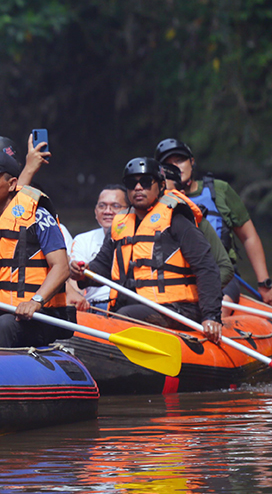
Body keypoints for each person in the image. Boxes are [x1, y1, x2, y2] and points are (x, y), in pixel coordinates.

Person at [70, 157, 223, 343]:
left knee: (125, 314)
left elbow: (206, 267)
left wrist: (211, 316)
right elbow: (102, 266)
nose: (138, 188)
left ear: (160, 185)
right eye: (131, 183)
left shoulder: (177, 220)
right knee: (122, 312)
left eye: (145, 182)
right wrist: (82, 273)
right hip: (135, 306)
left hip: (177, 308)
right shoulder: (120, 224)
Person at [0, 151, 72, 348]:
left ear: (12, 184)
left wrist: (36, 301)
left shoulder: (38, 215)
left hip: (37, 314)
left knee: (5, 325)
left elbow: (61, 267)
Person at [155, 138, 272, 304]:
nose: (176, 167)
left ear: (191, 161)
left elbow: (248, 237)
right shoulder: (154, 200)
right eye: (168, 164)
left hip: (220, 274)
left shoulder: (219, 190)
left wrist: (264, 283)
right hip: (174, 277)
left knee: (219, 308)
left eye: (180, 160)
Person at [66, 185, 129, 312]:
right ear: (95, 212)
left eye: (115, 206)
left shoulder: (138, 238)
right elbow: (76, 276)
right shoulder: (82, 239)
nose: (107, 211)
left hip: (126, 306)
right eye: (102, 206)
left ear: (128, 210)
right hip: (93, 307)